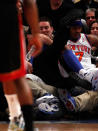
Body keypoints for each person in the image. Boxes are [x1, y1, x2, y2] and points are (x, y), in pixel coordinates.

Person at [0, 0, 42, 131]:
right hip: (6, 18)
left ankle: (19, 123)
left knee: (12, 77)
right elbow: (30, 3)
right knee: (14, 77)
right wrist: (35, 33)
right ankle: (22, 124)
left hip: (6, 17)